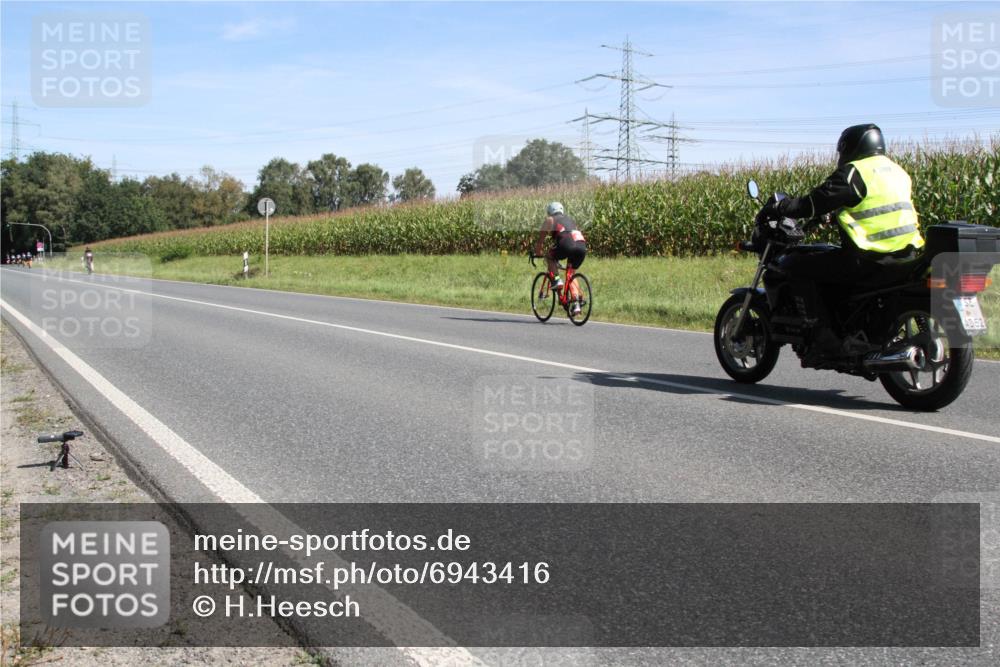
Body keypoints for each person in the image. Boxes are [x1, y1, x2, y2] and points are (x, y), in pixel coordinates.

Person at [758, 123, 924, 350]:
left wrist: (783, 206)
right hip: (907, 254)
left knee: (796, 264)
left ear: (850, 146)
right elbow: (877, 207)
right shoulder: (898, 172)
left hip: (868, 258)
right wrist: (834, 217)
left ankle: (824, 334)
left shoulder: (855, 172)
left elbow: (814, 203)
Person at [533, 201, 587, 316]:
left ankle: (557, 279)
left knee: (549, 257)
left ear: (550, 212)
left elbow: (541, 240)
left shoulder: (550, 220)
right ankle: (576, 304)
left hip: (567, 243)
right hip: (581, 246)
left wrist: (538, 252)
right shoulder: (570, 220)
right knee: (571, 273)